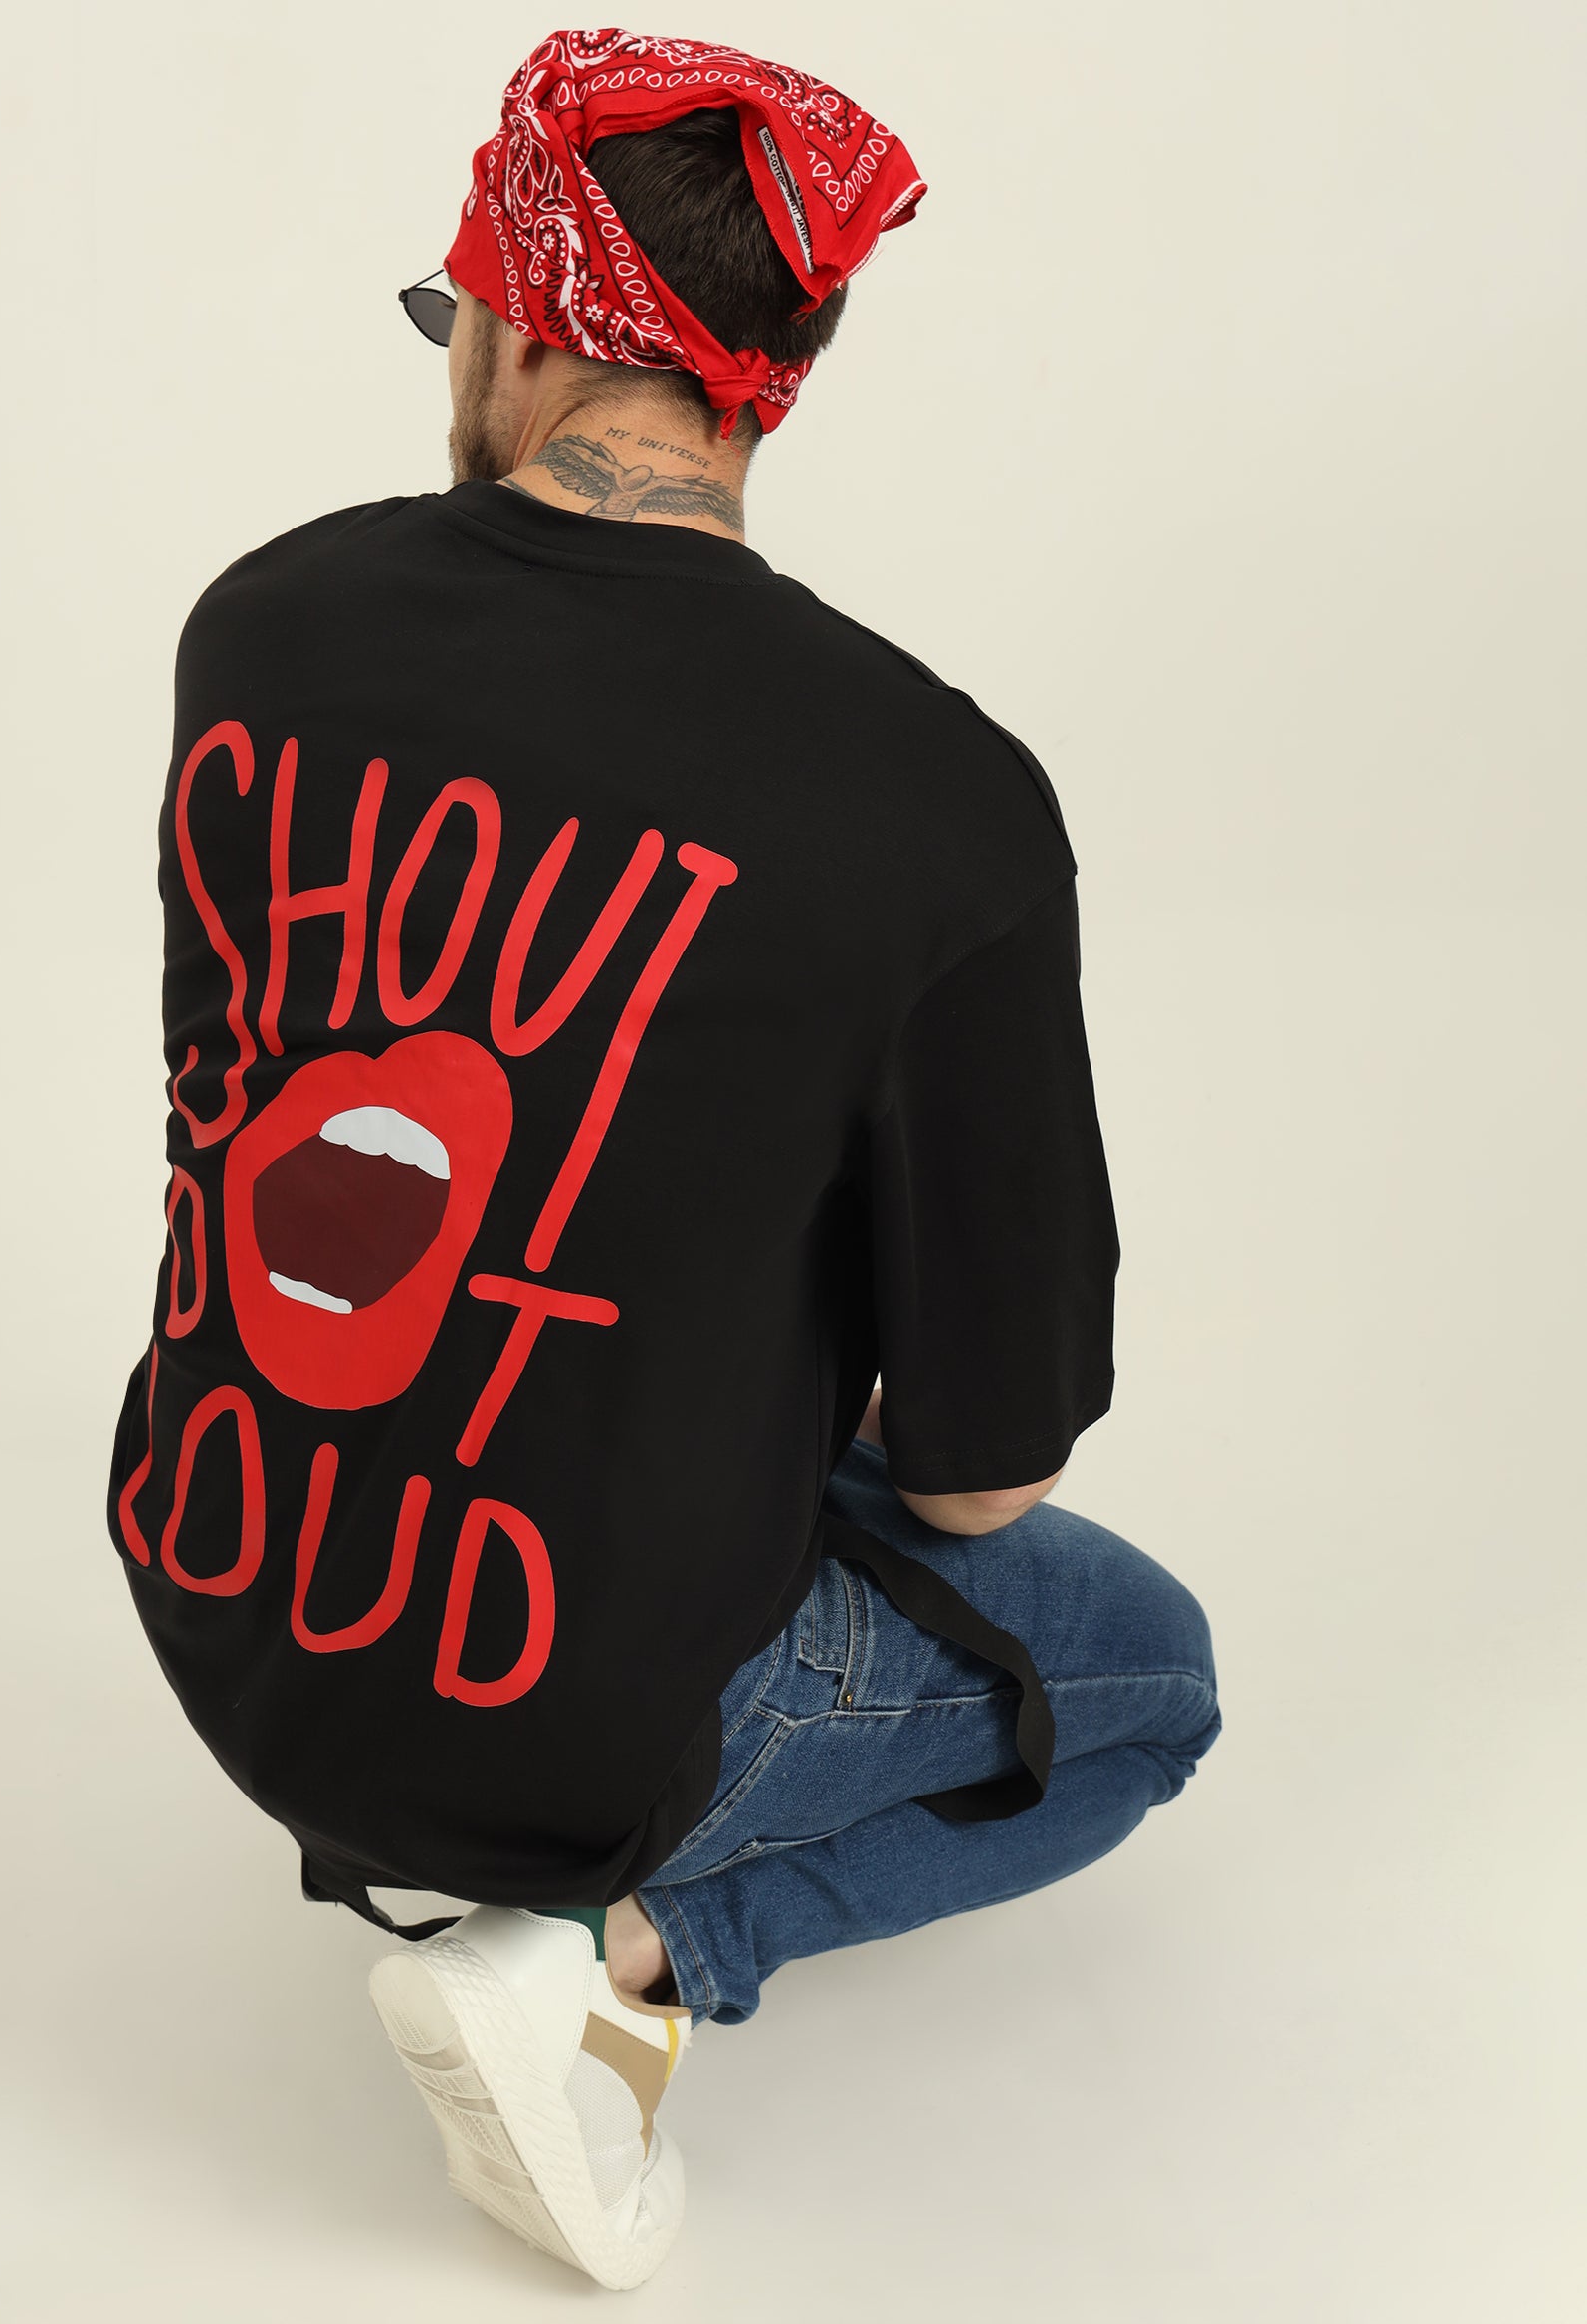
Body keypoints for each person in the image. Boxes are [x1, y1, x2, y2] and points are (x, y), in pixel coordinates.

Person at [106, 27, 1221, 2291]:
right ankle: (617, 1953)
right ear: (764, 383)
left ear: (518, 319)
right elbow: (981, 1480)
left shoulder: (266, 622)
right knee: (1145, 1678)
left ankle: (488, 1857)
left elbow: (247, 1087)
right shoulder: (935, 805)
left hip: (227, 1575)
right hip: (557, 1719)